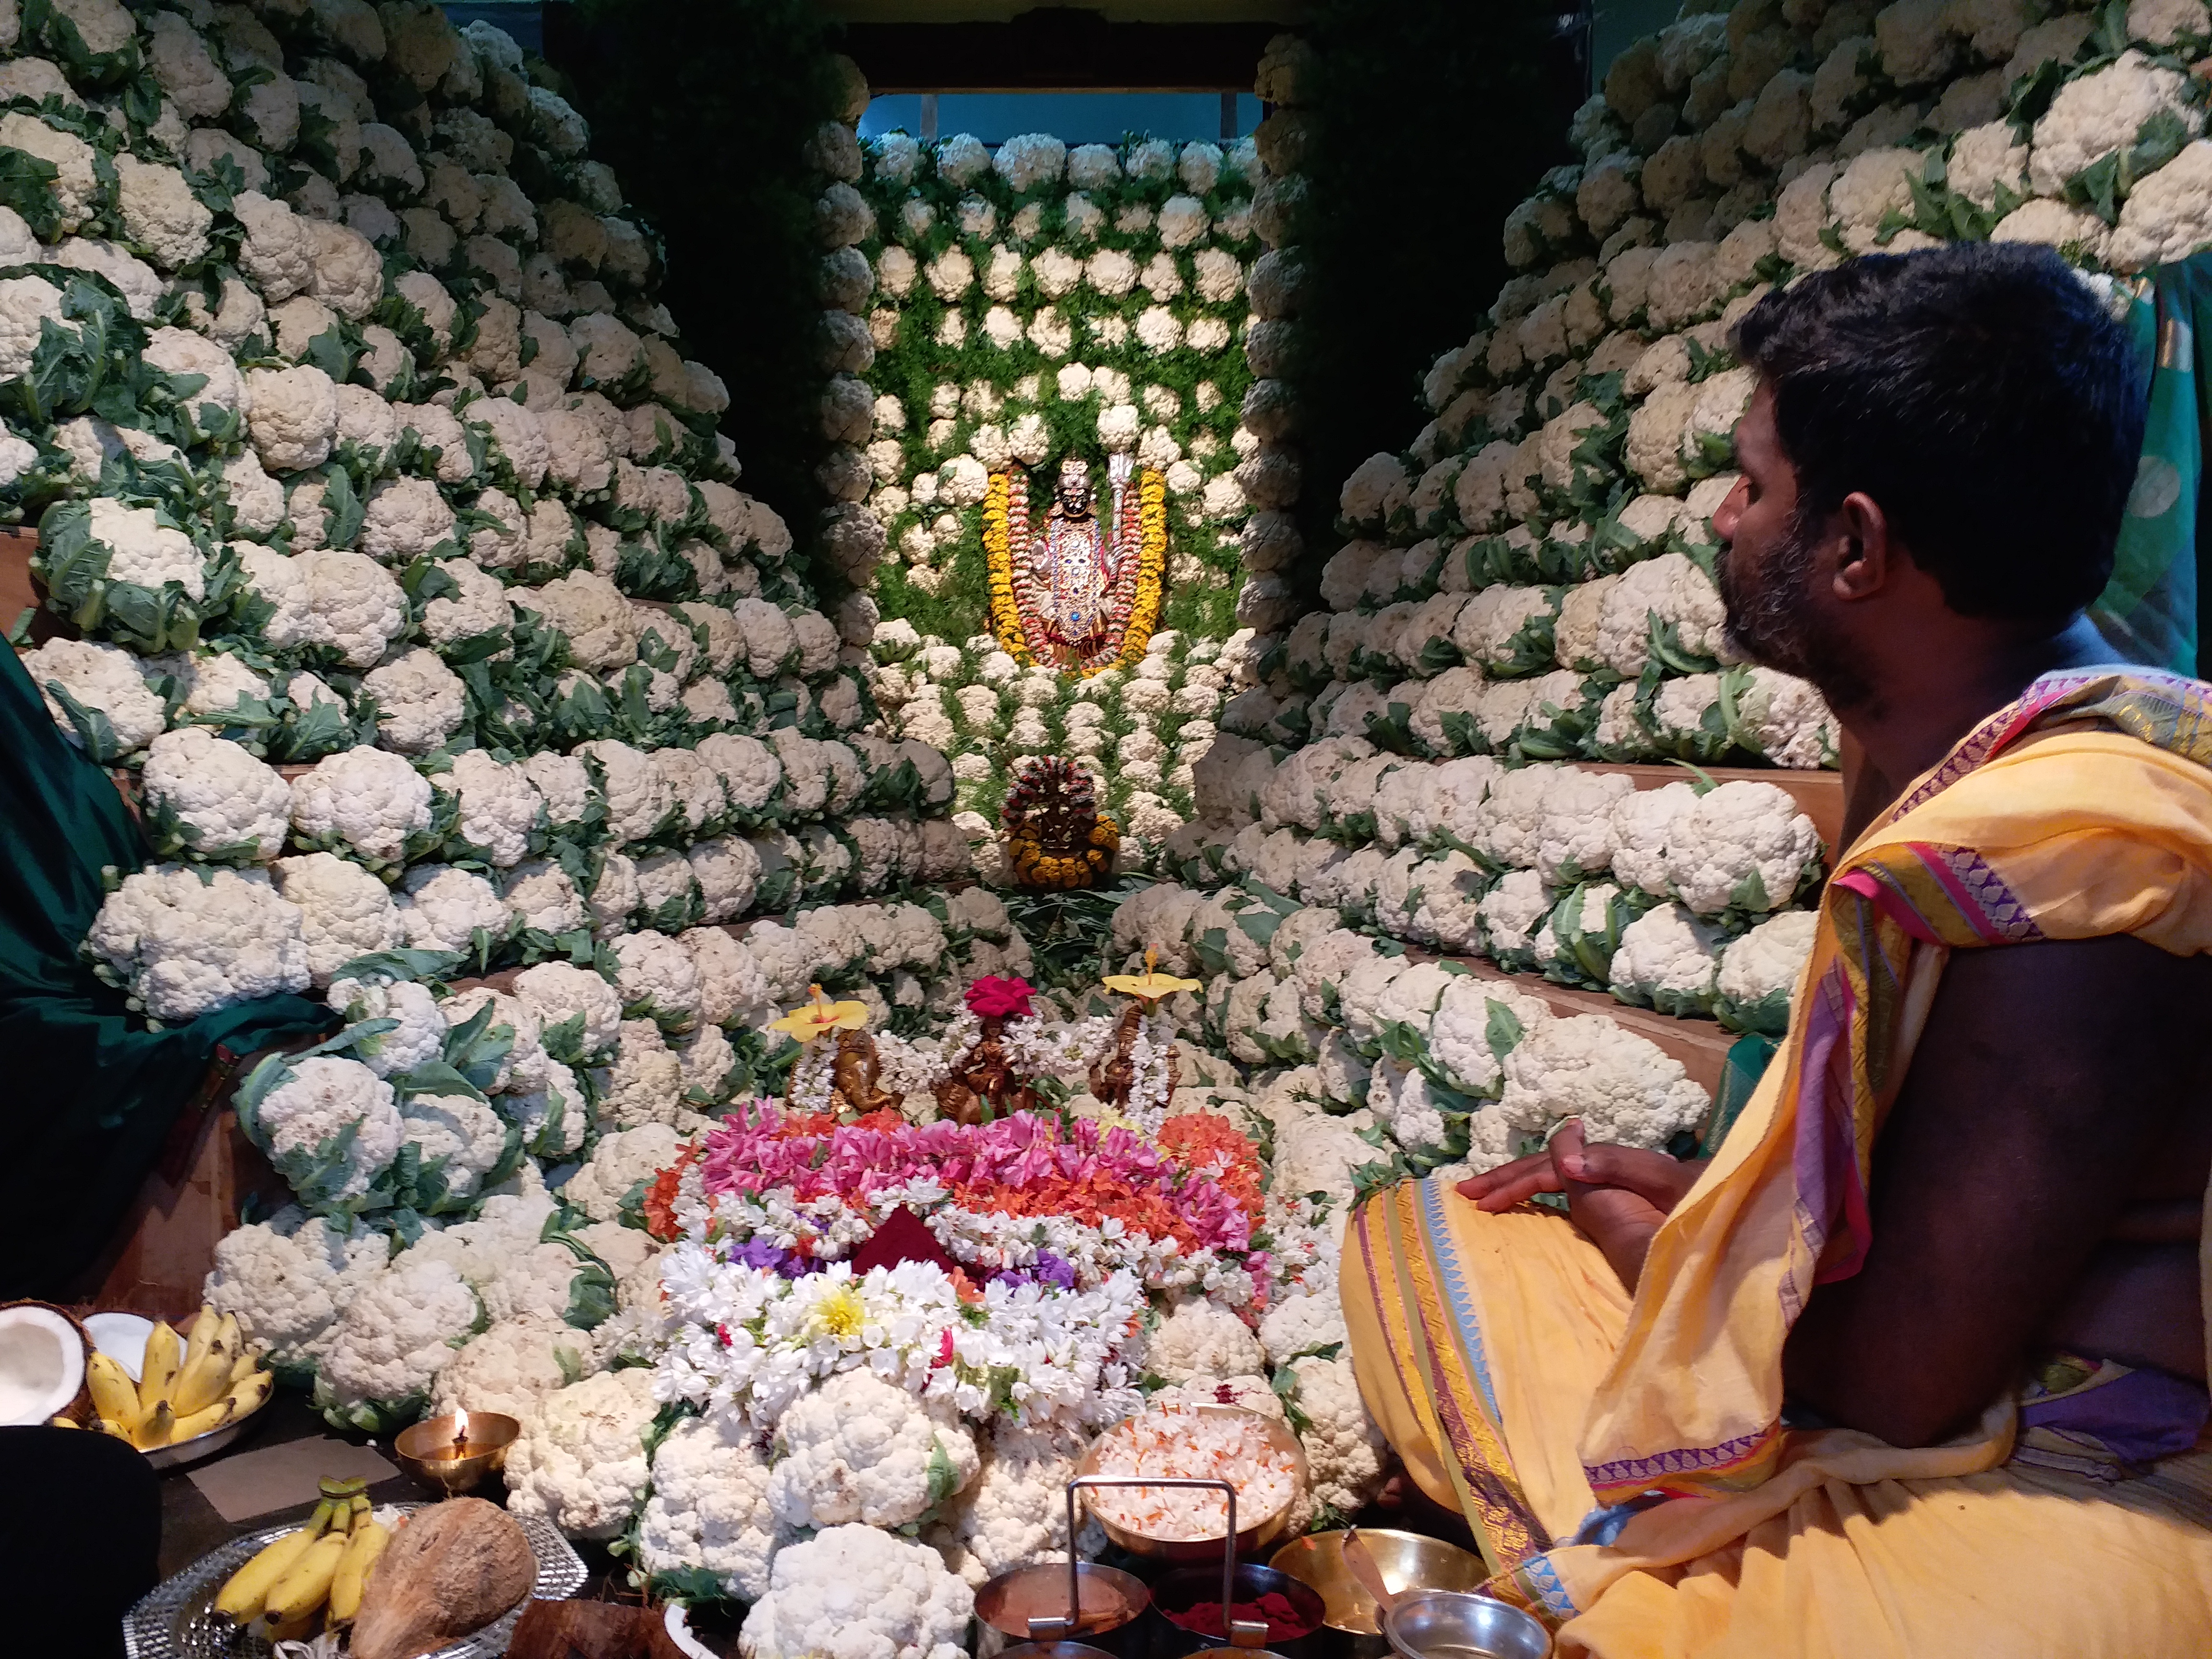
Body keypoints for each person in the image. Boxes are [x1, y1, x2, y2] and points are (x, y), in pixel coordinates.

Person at [1341, 242, 2212, 1657]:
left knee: (1627, 1592)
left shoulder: (2080, 856)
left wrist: (1668, 1254)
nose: (1725, 519)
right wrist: (1701, 1212)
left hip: (2070, 1486)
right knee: (1441, 1239)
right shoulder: (2009, 765)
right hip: (1958, 1367)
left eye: (1756, 486)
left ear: (1858, 548)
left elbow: (1902, 1386)